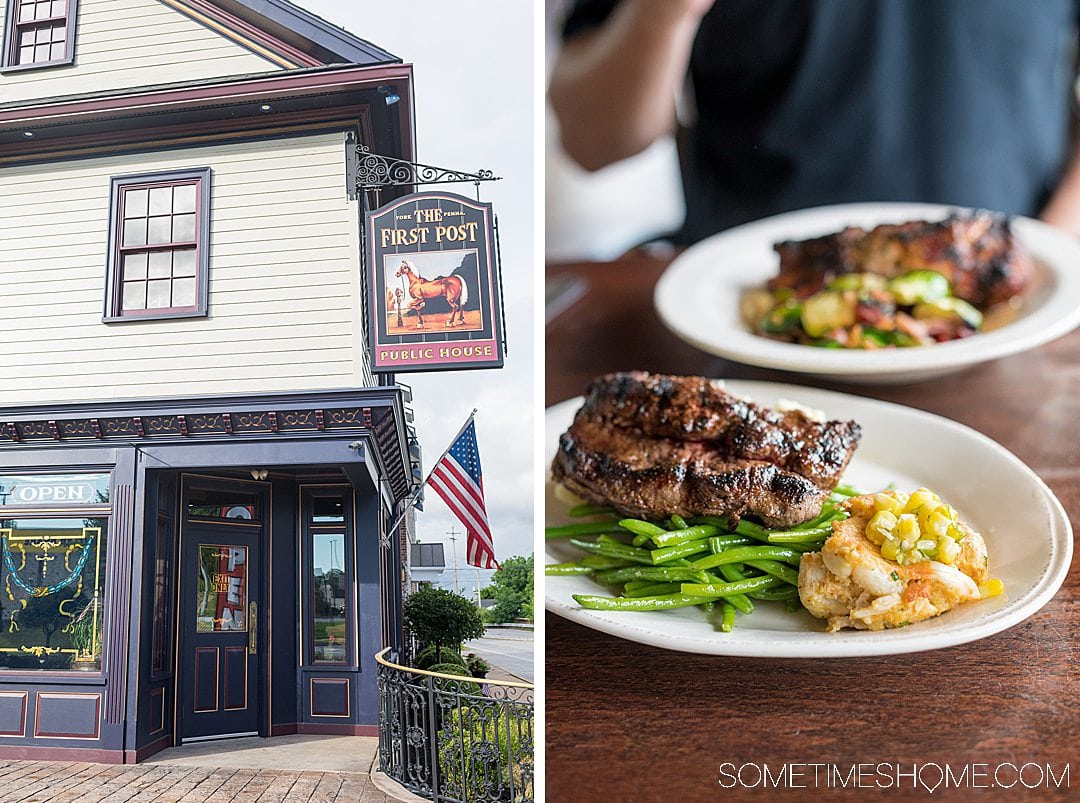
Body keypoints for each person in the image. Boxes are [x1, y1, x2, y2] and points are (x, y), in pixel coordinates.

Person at [549, 0, 1080, 242]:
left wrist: (1048, 257)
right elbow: (592, 142)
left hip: (1009, 298)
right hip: (747, 318)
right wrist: (664, 9)